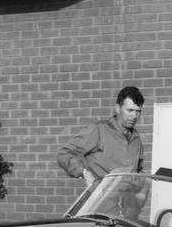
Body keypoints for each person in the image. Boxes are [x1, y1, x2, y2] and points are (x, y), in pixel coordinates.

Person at [57, 86, 148, 218]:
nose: (134, 116)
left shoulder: (136, 138)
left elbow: (139, 171)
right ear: (117, 108)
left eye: (138, 111)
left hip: (129, 208)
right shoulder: (99, 130)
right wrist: (85, 173)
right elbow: (63, 153)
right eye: (130, 110)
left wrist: (143, 192)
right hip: (102, 205)